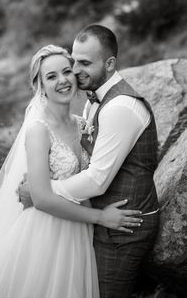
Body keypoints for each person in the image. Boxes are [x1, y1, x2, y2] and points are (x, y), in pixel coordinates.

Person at [0, 45, 142, 298]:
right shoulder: (38, 130)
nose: (62, 80)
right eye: (51, 77)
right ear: (40, 86)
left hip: (80, 230)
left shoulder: (83, 123)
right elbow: (40, 199)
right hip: (47, 233)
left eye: (66, 71)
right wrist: (101, 217)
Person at [19, 26, 160, 298]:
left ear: (109, 64)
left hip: (124, 227)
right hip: (93, 223)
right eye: (74, 60)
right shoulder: (91, 103)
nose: (75, 70)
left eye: (84, 63)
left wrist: (41, 192)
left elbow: (96, 180)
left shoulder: (121, 107)